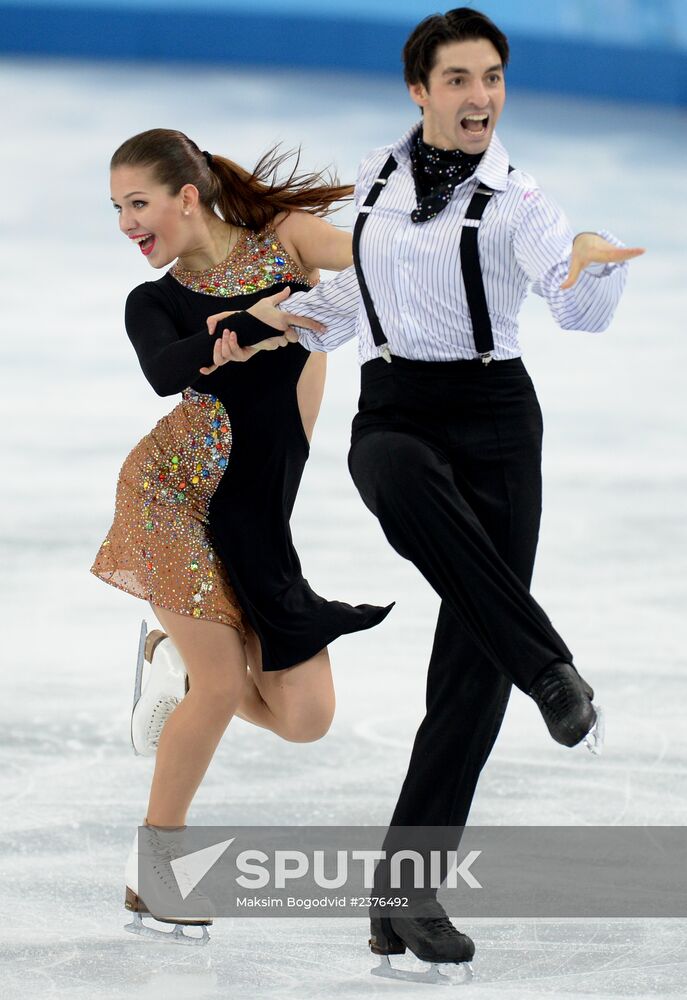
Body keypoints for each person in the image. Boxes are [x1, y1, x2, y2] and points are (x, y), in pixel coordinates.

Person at [227, 7, 645, 979]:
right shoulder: (376, 176)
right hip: (398, 410)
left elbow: (570, 300)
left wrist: (588, 261)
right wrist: (274, 321)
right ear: (421, 90)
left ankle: (402, 893)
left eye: (492, 78)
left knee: (467, 668)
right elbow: (355, 300)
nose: (480, 97)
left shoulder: (520, 199)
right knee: (391, 472)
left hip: (498, 422)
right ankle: (553, 670)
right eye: (460, 79)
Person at [90, 128, 393, 942]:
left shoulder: (286, 239)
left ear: (187, 197)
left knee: (305, 717)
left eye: (137, 203)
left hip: (256, 513)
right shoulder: (153, 300)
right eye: (117, 209)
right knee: (225, 687)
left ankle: (173, 667)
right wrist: (241, 323)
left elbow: (369, 254)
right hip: (174, 497)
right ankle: (155, 872)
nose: (126, 222)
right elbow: (164, 368)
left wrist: (438, 236)